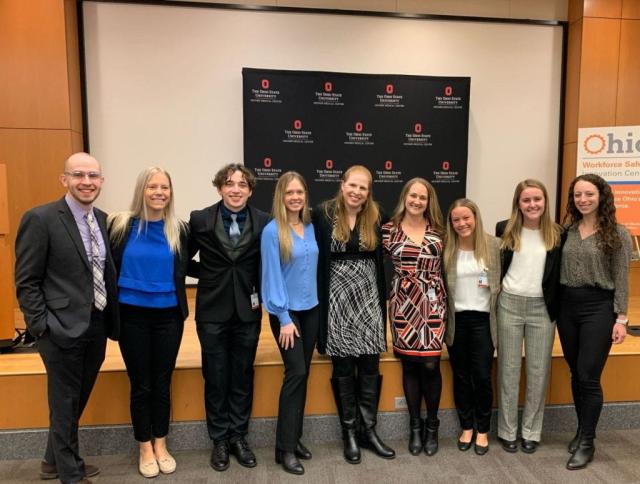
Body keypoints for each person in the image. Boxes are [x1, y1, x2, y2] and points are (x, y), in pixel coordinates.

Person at [14, 152, 120, 484]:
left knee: (77, 397)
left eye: (93, 176)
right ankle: (70, 474)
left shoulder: (103, 219)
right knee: (64, 401)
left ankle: (51, 460)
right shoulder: (41, 218)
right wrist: (41, 326)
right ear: (64, 179)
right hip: (59, 328)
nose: (86, 182)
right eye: (78, 175)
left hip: (97, 323)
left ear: (101, 181)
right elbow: (26, 280)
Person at [108, 167, 190, 478]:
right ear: (142, 190)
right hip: (132, 317)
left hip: (168, 317)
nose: (159, 192)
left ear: (171, 192)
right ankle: (144, 445)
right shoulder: (119, 226)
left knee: (162, 382)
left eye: (164, 187)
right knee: (141, 384)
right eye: (152, 186)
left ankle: (161, 443)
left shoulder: (178, 229)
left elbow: (188, 267)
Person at [188, 163, 269, 472]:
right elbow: (184, 260)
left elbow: (268, 265)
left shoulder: (264, 222)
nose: (236, 189)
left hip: (248, 311)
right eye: (229, 183)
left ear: (250, 190)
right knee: (216, 375)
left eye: (242, 185)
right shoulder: (200, 220)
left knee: (242, 374)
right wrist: (208, 275)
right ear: (219, 187)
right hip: (211, 310)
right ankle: (219, 439)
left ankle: (239, 436)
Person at [313, 165, 395, 464]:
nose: (357, 192)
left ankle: (369, 431)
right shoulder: (321, 214)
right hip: (336, 299)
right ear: (342, 183)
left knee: (371, 365)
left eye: (363, 188)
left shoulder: (378, 214)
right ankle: (349, 432)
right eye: (353, 185)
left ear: (368, 191)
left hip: (369, 298)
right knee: (344, 367)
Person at [558, 173, 632, 470]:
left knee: (589, 376)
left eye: (589, 194)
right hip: (567, 307)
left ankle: (587, 441)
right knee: (576, 374)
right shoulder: (568, 231)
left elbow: (623, 279)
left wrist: (622, 318)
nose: (583, 199)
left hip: (599, 308)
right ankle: (580, 430)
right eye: (577, 195)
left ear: (601, 195)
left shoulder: (617, 233)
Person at [495, 179, 563, 454]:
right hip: (509, 304)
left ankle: (531, 432)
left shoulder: (558, 234)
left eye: (537, 199)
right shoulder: (504, 229)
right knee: (508, 370)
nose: (532, 205)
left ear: (545, 202)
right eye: (526, 200)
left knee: (537, 371)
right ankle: (507, 430)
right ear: (518, 203)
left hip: (542, 308)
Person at [381, 178, 446, 457]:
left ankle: (433, 425)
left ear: (429, 201)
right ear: (404, 197)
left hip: (433, 303)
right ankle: (415, 427)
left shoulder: (440, 231)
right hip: (404, 305)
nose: (417, 201)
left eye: (423, 197)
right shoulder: (387, 231)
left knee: (431, 365)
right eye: (413, 196)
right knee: (409, 366)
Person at [260, 171, 319, 475]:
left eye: (300, 192)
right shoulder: (272, 231)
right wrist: (283, 318)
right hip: (287, 316)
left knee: (304, 373)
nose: (295, 197)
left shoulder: (309, 226)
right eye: (289, 193)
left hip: (311, 311)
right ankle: (284, 449)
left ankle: (294, 439)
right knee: (295, 373)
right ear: (281, 197)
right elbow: (270, 278)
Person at [443, 199, 500, 456]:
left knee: (482, 376)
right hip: (457, 321)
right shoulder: (447, 248)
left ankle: (483, 429)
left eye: (466, 218)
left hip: (483, 321)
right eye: (456, 219)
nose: (462, 223)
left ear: (475, 217)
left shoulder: (494, 246)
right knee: (461, 376)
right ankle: (466, 427)